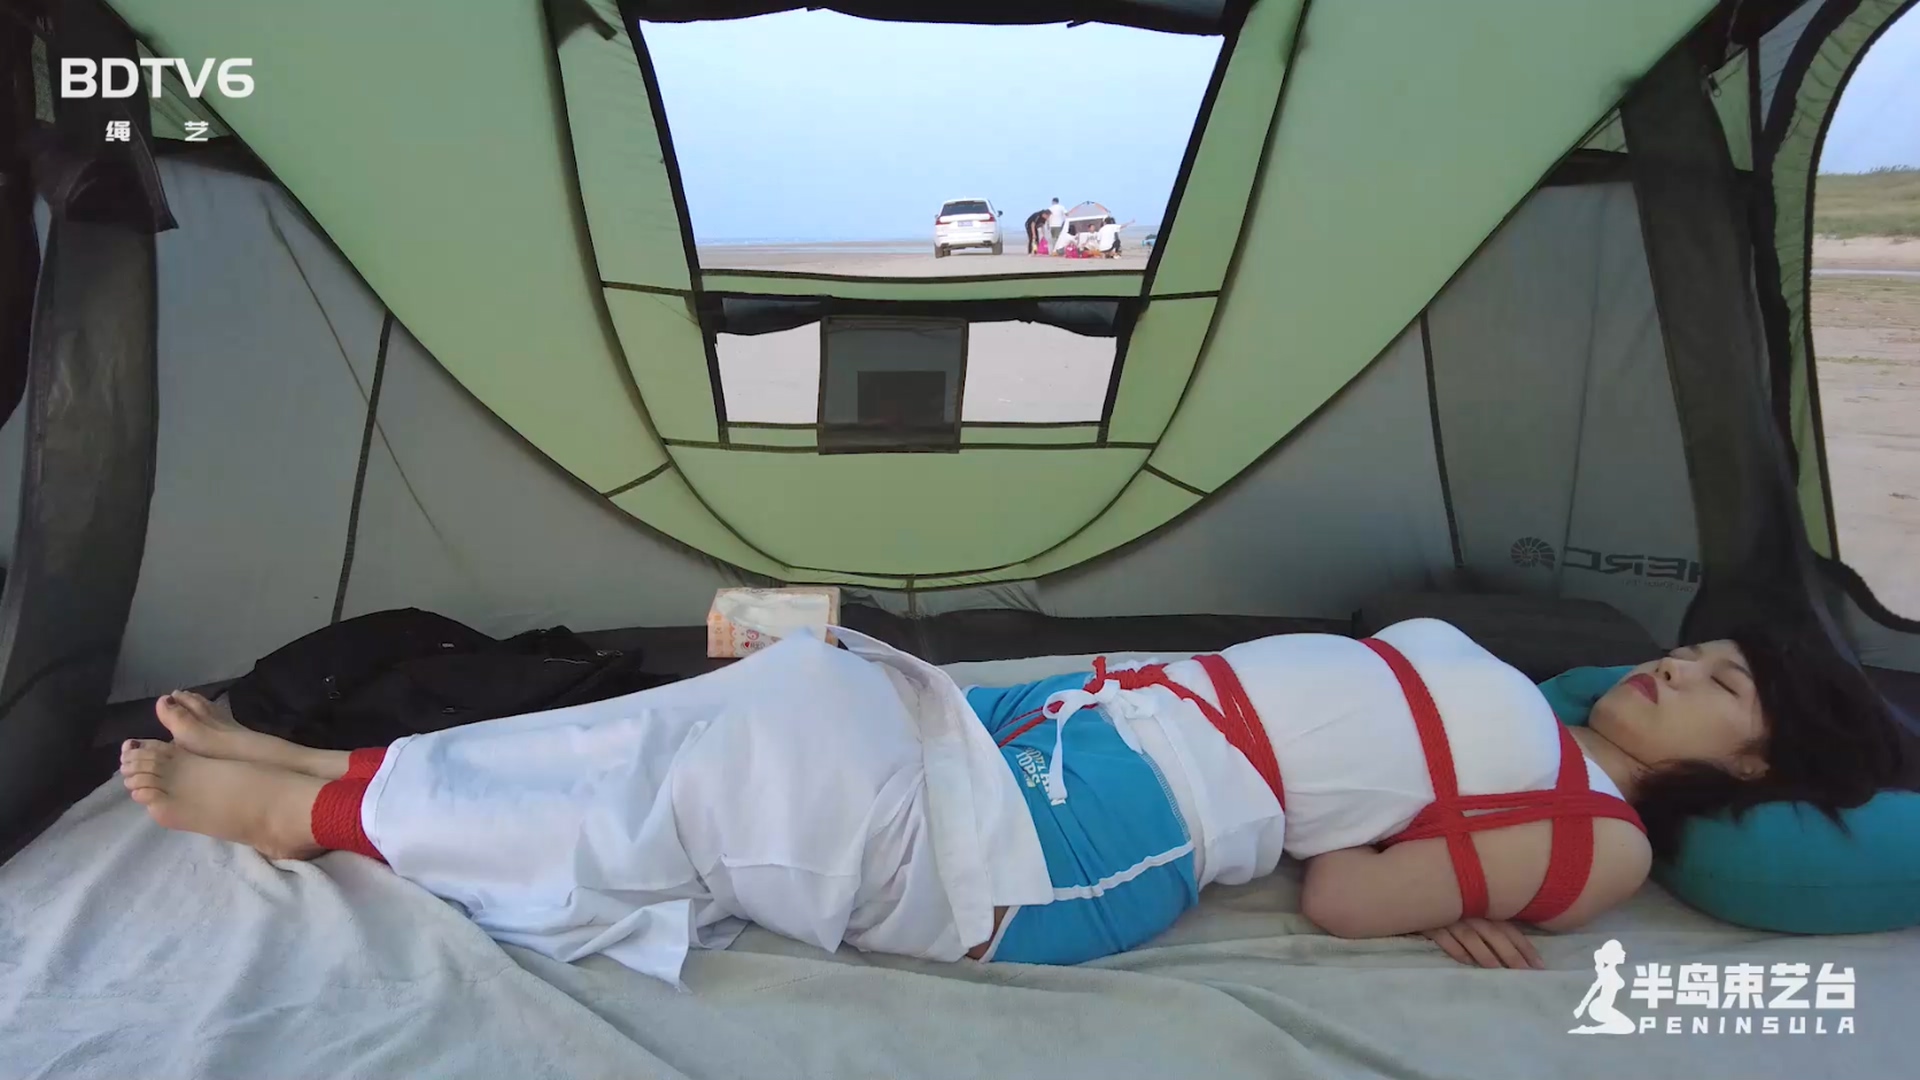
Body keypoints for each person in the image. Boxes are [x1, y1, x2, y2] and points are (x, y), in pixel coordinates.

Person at [120, 617, 1902, 985]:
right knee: (781, 685)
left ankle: (321, 817)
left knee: (763, 769)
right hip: (1060, 741)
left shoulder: (1591, 833)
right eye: (1700, 651)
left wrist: (1469, 898)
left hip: (1071, 851)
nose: (1678, 667)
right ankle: (354, 769)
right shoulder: (1539, 695)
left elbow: (1349, 896)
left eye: (1722, 687)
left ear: (1752, 767)